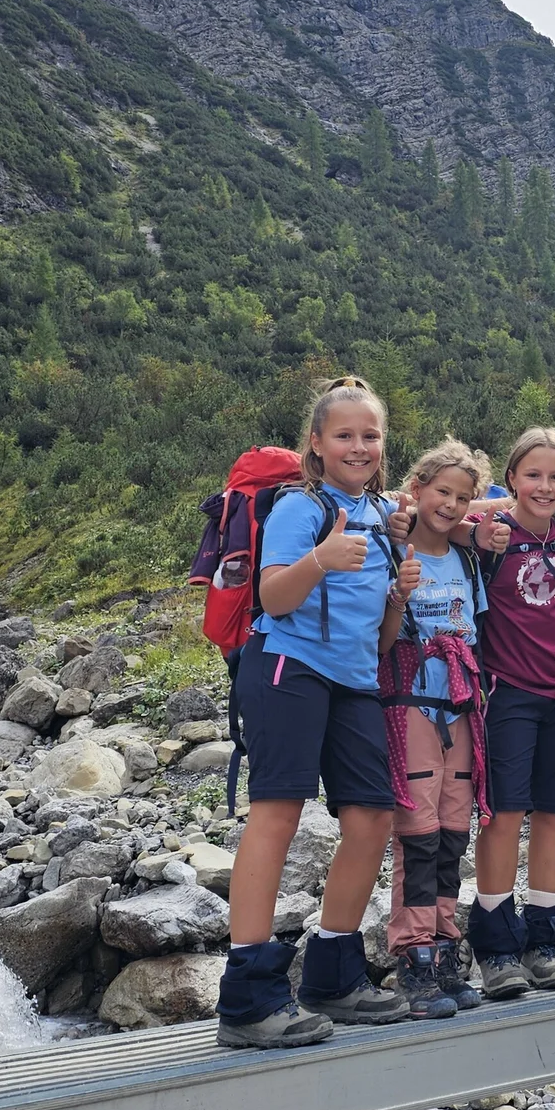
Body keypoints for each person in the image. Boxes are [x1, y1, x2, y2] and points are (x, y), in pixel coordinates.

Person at [215, 377, 417, 1048]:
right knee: (277, 814)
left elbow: (383, 640)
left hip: (355, 679)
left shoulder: (383, 517)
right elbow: (273, 598)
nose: (359, 447)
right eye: (345, 435)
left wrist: (396, 598)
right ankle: (246, 996)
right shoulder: (299, 509)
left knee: (371, 816)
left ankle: (332, 973)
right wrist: (322, 559)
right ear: (318, 443)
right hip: (287, 667)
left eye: (370, 435)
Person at [460, 427, 555, 997]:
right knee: (504, 813)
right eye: (532, 475)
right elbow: (425, 509)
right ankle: (494, 940)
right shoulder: (489, 538)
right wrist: (479, 520)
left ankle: (543, 936)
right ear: (510, 478)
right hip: (509, 691)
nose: (544, 486)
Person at [377, 439, 494, 1019]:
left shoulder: (467, 557)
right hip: (411, 702)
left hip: (462, 706)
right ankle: (413, 953)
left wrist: (478, 525)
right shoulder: (392, 546)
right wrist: (400, 591)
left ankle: (447, 945)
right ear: (416, 488)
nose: (449, 504)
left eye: (461, 497)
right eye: (440, 491)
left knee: (452, 830)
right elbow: (380, 638)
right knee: (418, 832)